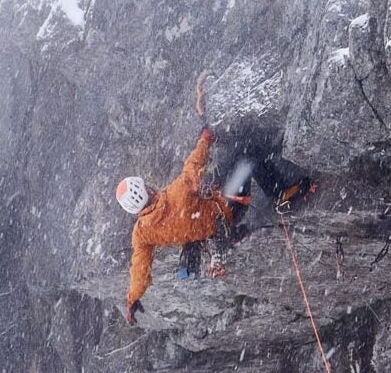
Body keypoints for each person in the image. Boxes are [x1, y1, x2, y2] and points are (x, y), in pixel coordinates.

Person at [117, 123, 313, 324]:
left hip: (209, 226)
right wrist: (205, 140)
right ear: (147, 190)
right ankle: (280, 194)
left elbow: (140, 268)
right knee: (247, 155)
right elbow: (193, 166)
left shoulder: (142, 232)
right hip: (228, 209)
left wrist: (132, 298)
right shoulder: (178, 192)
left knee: (231, 158)